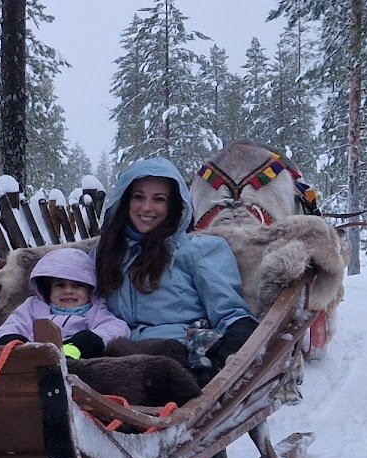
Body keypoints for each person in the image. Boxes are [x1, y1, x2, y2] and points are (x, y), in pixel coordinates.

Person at [95, 156, 257, 375]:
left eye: (159, 199)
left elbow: (230, 313)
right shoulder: (107, 252)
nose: (147, 207)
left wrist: (232, 345)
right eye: (138, 197)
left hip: (179, 356)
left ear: (173, 205)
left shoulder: (199, 251)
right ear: (125, 201)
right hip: (116, 357)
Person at [0, 246, 130, 354]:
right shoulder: (33, 307)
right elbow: (12, 325)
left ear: (90, 290)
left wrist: (87, 342)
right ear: (48, 289)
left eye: (77, 285)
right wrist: (11, 341)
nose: (68, 291)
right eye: (60, 285)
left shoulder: (95, 311)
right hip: (31, 359)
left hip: (77, 361)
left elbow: (117, 328)